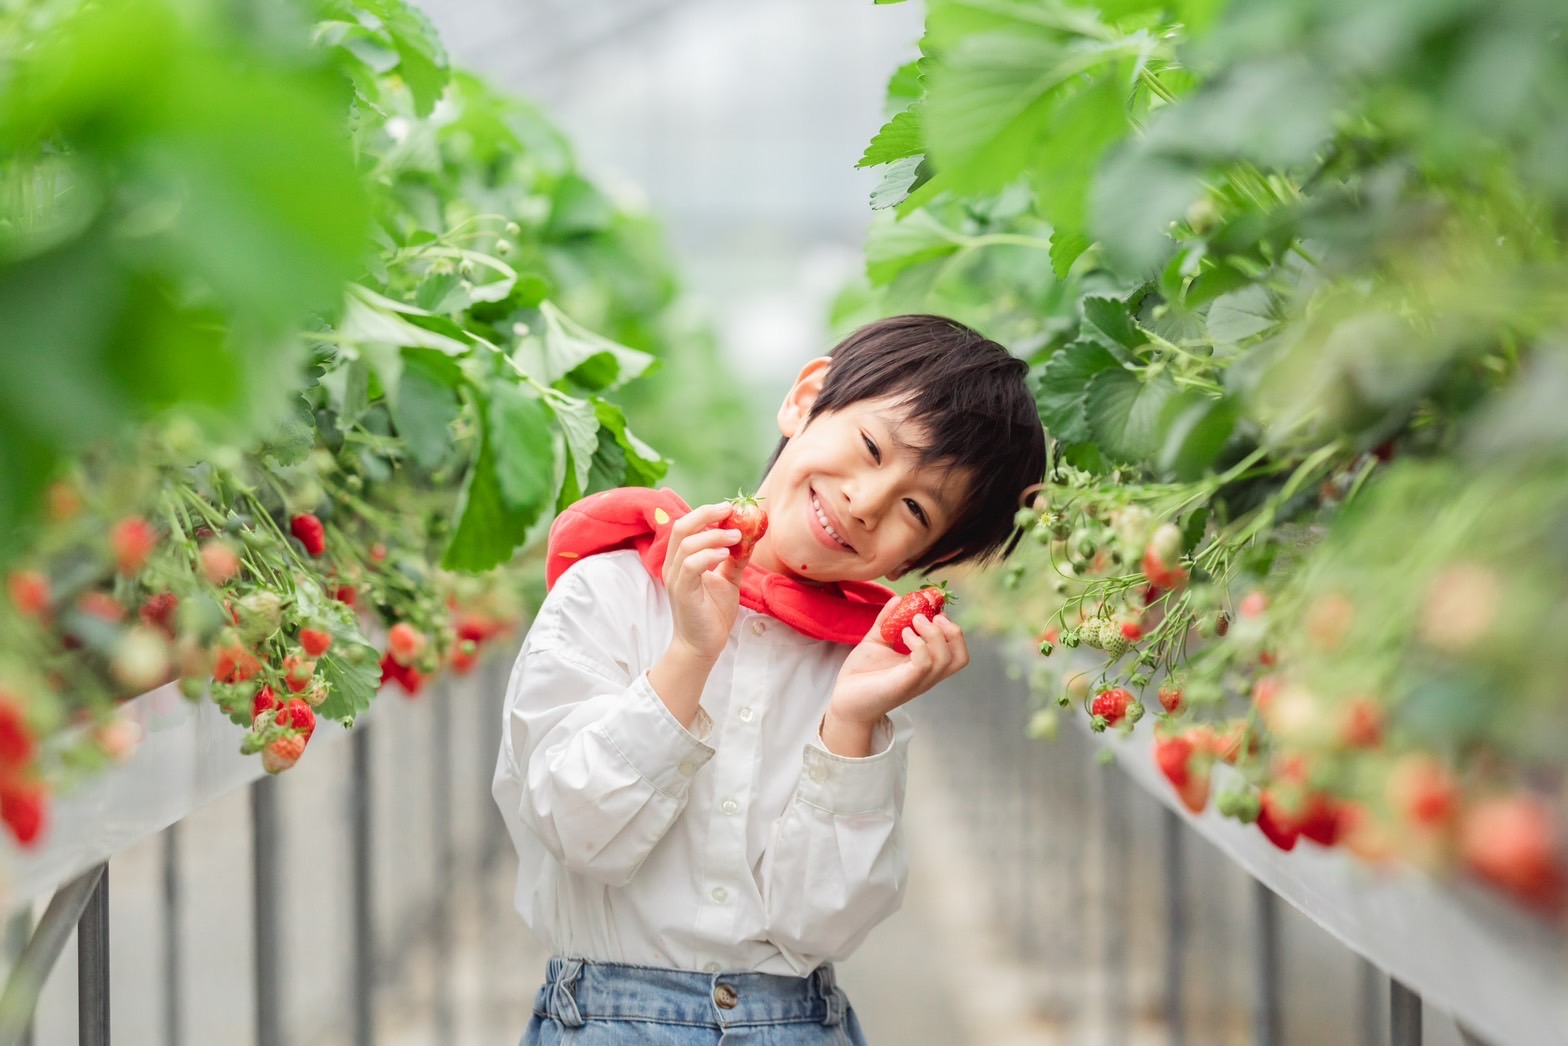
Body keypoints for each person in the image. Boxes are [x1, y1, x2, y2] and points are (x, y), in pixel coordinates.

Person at [492, 314, 1048, 1044]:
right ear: (806, 398)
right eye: (871, 447)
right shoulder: (611, 591)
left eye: (916, 509)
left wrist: (850, 722)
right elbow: (576, 826)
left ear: (926, 558)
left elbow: (821, 922)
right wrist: (691, 652)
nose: (866, 501)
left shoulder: (861, 670)